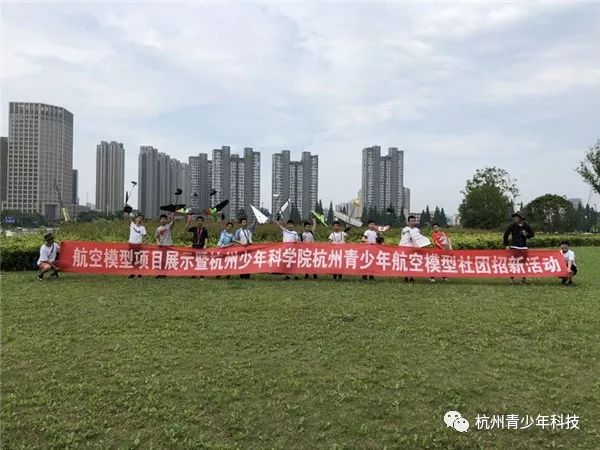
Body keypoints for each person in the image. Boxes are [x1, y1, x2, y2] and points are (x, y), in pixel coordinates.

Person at [503, 212, 534, 285]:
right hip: (514, 247)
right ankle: (511, 279)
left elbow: (532, 235)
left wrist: (526, 235)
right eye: (514, 217)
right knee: (513, 263)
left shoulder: (526, 226)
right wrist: (507, 245)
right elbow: (505, 235)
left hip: (524, 247)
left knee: (523, 263)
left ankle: (524, 279)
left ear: (521, 218)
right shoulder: (512, 226)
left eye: (516, 217)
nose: (515, 218)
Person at [399, 215, 422, 282]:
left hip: (414, 248)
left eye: (414, 221)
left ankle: (412, 277)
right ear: (408, 222)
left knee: (413, 262)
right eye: (411, 221)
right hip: (406, 248)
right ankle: (405, 276)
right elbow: (403, 237)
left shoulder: (417, 230)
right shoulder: (405, 229)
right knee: (406, 262)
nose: (413, 222)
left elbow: (418, 238)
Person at [154, 213, 176, 278]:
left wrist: (172, 216)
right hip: (161, 246)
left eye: (164, 219)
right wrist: (158, 242)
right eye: (162, 219)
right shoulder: (158, 229)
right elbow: (156, 237)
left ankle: (164, 273)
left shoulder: (168, 226)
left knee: (166, 260)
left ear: (166, 220)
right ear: (160, 220)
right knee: (160, 260)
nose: (163, 220)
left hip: (168, 245)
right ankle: (159, 273)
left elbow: (173, 222)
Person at [128, 214, 147, 278]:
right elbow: (129, 216)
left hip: (138, 245)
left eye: (141, 219)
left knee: (138, 259)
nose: (140, 219)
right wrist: (129, 213)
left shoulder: (142, 228)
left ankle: (139, 273)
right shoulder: (132, 225)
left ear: (142, 221)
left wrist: (141, 241)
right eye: (139, 218)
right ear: (136, 219)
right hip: (131, 244)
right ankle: (132, 273)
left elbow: (144, 237)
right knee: (132, 259)